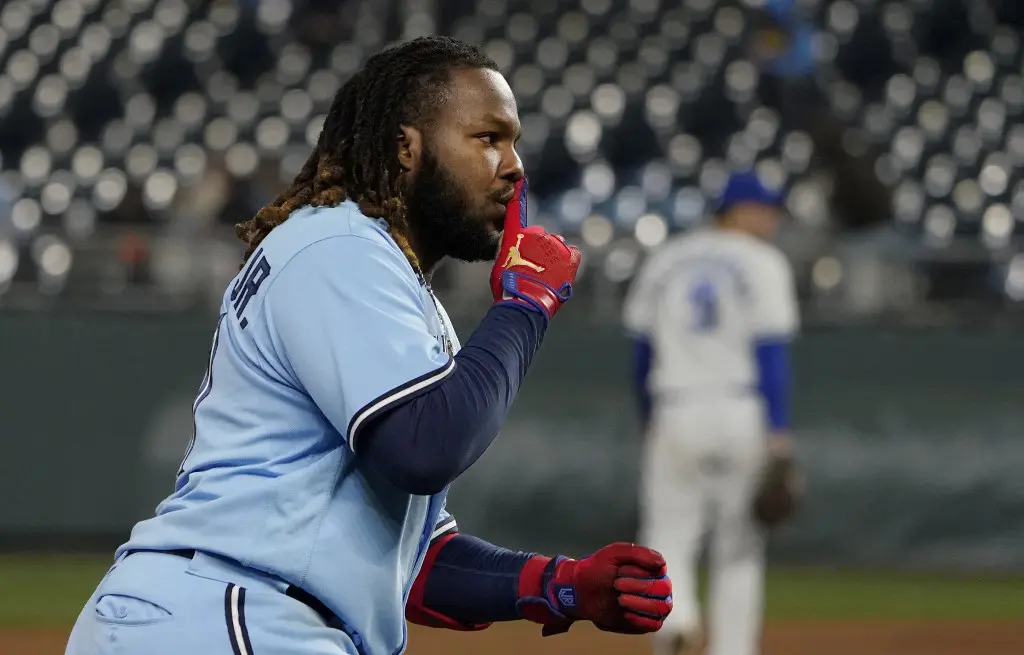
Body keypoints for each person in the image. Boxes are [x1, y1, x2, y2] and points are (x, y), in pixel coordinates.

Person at [65, 36, 673, 655]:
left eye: (513, 141)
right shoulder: (340, 247)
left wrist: (562, 585)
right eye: (488, 138)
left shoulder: (377, 274)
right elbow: (425, 446)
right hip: (232, 611)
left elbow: (418, 566)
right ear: (405, 149)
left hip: (219, 613)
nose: (514, 165)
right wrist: (525, 306)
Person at [623, 171, 799, 655]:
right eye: (763, 207)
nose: (771, 217)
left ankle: (677, 623)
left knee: (668, 536)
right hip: (742, 408)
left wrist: (646, 416)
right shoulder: (764, 262)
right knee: (739, 549)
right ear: (735, 209)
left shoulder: (665, 261)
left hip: (675, 407)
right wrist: (779, 434)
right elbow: (772, 357)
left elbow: (641, 354)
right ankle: (732, 649)